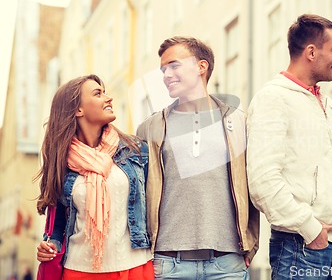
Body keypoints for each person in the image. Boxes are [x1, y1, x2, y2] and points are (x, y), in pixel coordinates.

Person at [135, 36, 259, 279]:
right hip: (168, 264)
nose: (166, 75)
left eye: (174, 65)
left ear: (201, 67)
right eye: (163, 69)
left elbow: (254, 184)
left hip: (228, 264)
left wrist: (251, 242)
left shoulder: (238, 122)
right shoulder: (150, 128)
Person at [246, 14, 332, 280]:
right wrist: (310, 229)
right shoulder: (273, 99)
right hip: (300, 248)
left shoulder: (326, 104)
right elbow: (263, 182)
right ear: (310, 52)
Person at [34, 75, 153, 280]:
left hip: (136, 267)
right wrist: (49, 245)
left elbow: (155, 207)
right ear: (78, 109)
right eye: (98, 94)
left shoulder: (136, 150)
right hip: (81, 271)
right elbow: (59, 226)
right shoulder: (61, 163)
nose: (108, 98)